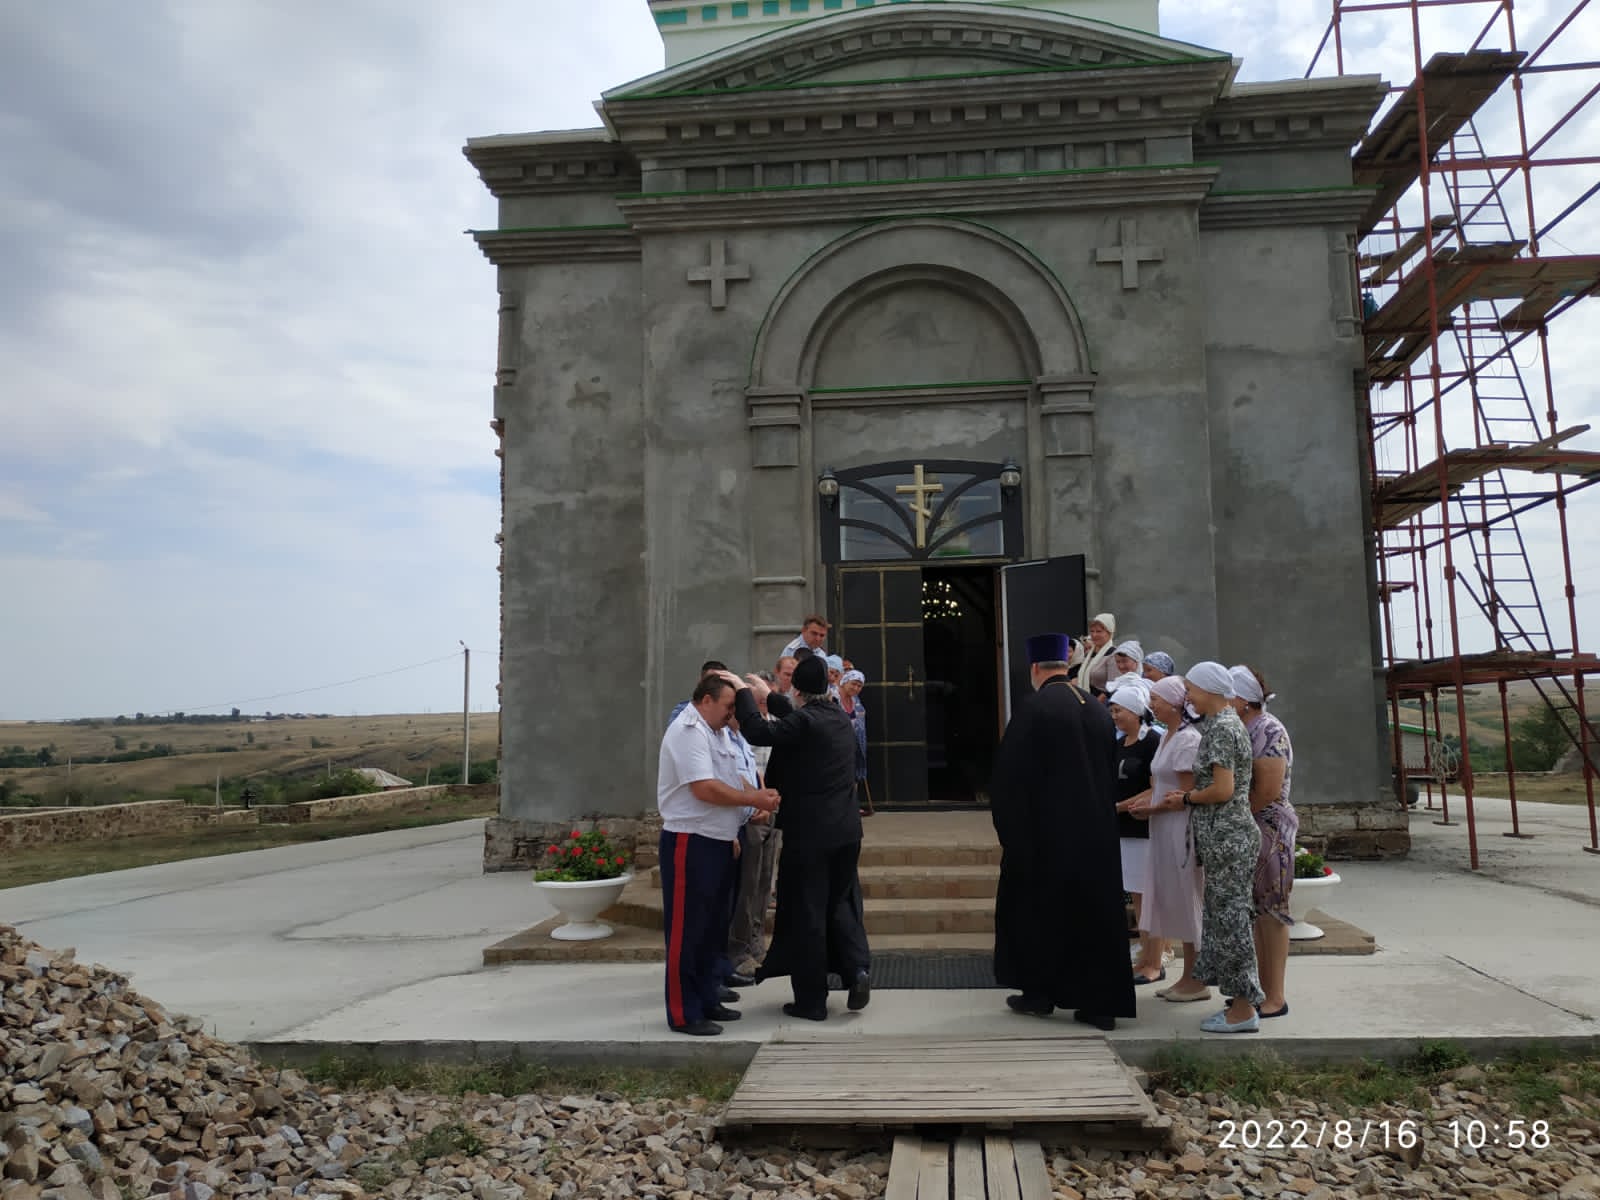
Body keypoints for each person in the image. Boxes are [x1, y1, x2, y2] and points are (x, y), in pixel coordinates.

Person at [990, 633, 1135, 1030]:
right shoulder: (1096, 709)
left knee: (1040, 917)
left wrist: (1012, 835)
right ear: (1065, 666)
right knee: (1095, 918)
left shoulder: (1034, 709)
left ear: (1035, 668)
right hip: (1096, 835)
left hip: (1047, 837)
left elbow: (1010, 780)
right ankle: (1101, 1004)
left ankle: (1040, 993)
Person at [720, 656, 870, 1021]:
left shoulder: (805, 722)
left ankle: (811, 1001)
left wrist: (742, 691)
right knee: (842, 904)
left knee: (807, 912)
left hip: (811, 835)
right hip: (847, 832)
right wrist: (768, 695)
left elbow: (758, 731)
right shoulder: (838, 717)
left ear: (798, 691)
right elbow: (797, 718)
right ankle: (856, 971)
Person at [656, 675, 781, 1036]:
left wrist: (752, 804)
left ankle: (708, 996)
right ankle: (684, 1012)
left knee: (712, 928)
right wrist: (753, 799)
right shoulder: (689, 731)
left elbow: (732, 778)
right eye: (728, 706)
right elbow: (704, 788)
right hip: (690, 840)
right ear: (706, 700)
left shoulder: (718, 732)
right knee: (688, 929)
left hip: (718, 839)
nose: (732, 714)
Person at [1163, 661, 1262, 1033]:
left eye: (1191, 689)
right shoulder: (1227, 723)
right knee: (1225, 920)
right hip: (1226, 838)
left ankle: (1243, 1010)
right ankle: (1238, 1003)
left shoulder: (1221, 728)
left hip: (1228, 837)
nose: (1188, 696)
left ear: (1208, 689)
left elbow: (1222, 789)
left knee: (1232, 923)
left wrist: (1187, 798)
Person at [1131, 675, 1208, 1003]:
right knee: (1173, 898)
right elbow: (1161, 785)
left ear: (1176, 704)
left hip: (1179, 827)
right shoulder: (1167, 736)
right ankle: (1187, 976)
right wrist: (1147, 806)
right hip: (1163, 826)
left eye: (1157, 699)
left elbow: (1186, 793)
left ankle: (1197, 979)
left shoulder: (1187, 739)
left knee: (1188, 898)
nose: (1152, 705)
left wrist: (1152, 809)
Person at [1230, 664, 1296, 1020]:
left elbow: (1268, 790)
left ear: (1243, 699)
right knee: (1255, 913)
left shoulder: (1269, 730)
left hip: (1269, 829)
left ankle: (1275, 995)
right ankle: (1259, 989)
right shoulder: (1244, 728)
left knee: (1271, 912)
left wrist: (1236, 819)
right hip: (1249, 825)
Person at [1108, 679, 1162, 984]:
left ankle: (1155, 961)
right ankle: (1145, 958)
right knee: (1139, 899)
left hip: (1144, 828)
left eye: (1119, 710)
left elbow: (1155, 789)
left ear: (1135, 711)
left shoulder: (1151, 741)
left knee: (1149, 897)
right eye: (1113, 710)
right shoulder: (1119, 743)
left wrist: (1119, 806)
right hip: (1124, 829)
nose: (1115, 716)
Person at [839, 669, 873, 816]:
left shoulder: (856, 701)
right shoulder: (834, 698)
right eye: (853, 684)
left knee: (853, 775)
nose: (856, 688)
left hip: (853, 744)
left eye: (859, 686)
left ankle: (851, 806)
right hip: (837, 744)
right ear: (845, 681)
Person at [1073, 613, 1118, 697]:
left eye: (1099, 631)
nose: (1094, 635)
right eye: (1092, 631)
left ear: (1109, 633)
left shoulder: (1113, 655)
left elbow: (1113, 686)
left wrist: (1095, 703)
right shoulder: (1089, 655)